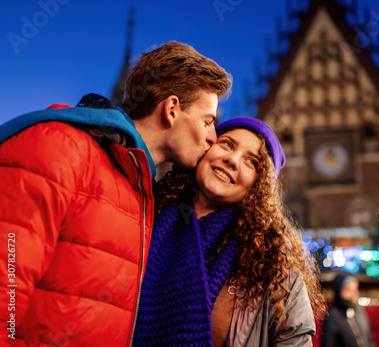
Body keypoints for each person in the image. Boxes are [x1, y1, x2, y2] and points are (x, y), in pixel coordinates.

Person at [0, 41, 231, 345]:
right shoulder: (60, 148)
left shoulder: (143, 192)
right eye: (208, 121)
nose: (213, 138)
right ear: (172, 109)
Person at [132, 117, 326, 346]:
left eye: (252, 162)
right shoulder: (142, 218)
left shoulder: (274, 267)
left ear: (258, 186)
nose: (232, 159)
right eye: (227, 144)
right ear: (206, 148)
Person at [321, 273, 375, 347]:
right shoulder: (332, 315)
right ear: (339, 291)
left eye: (355, 289)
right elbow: (328, 344)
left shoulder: (359, 309)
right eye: (349, 290)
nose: (354, 294)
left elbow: (369, 338)